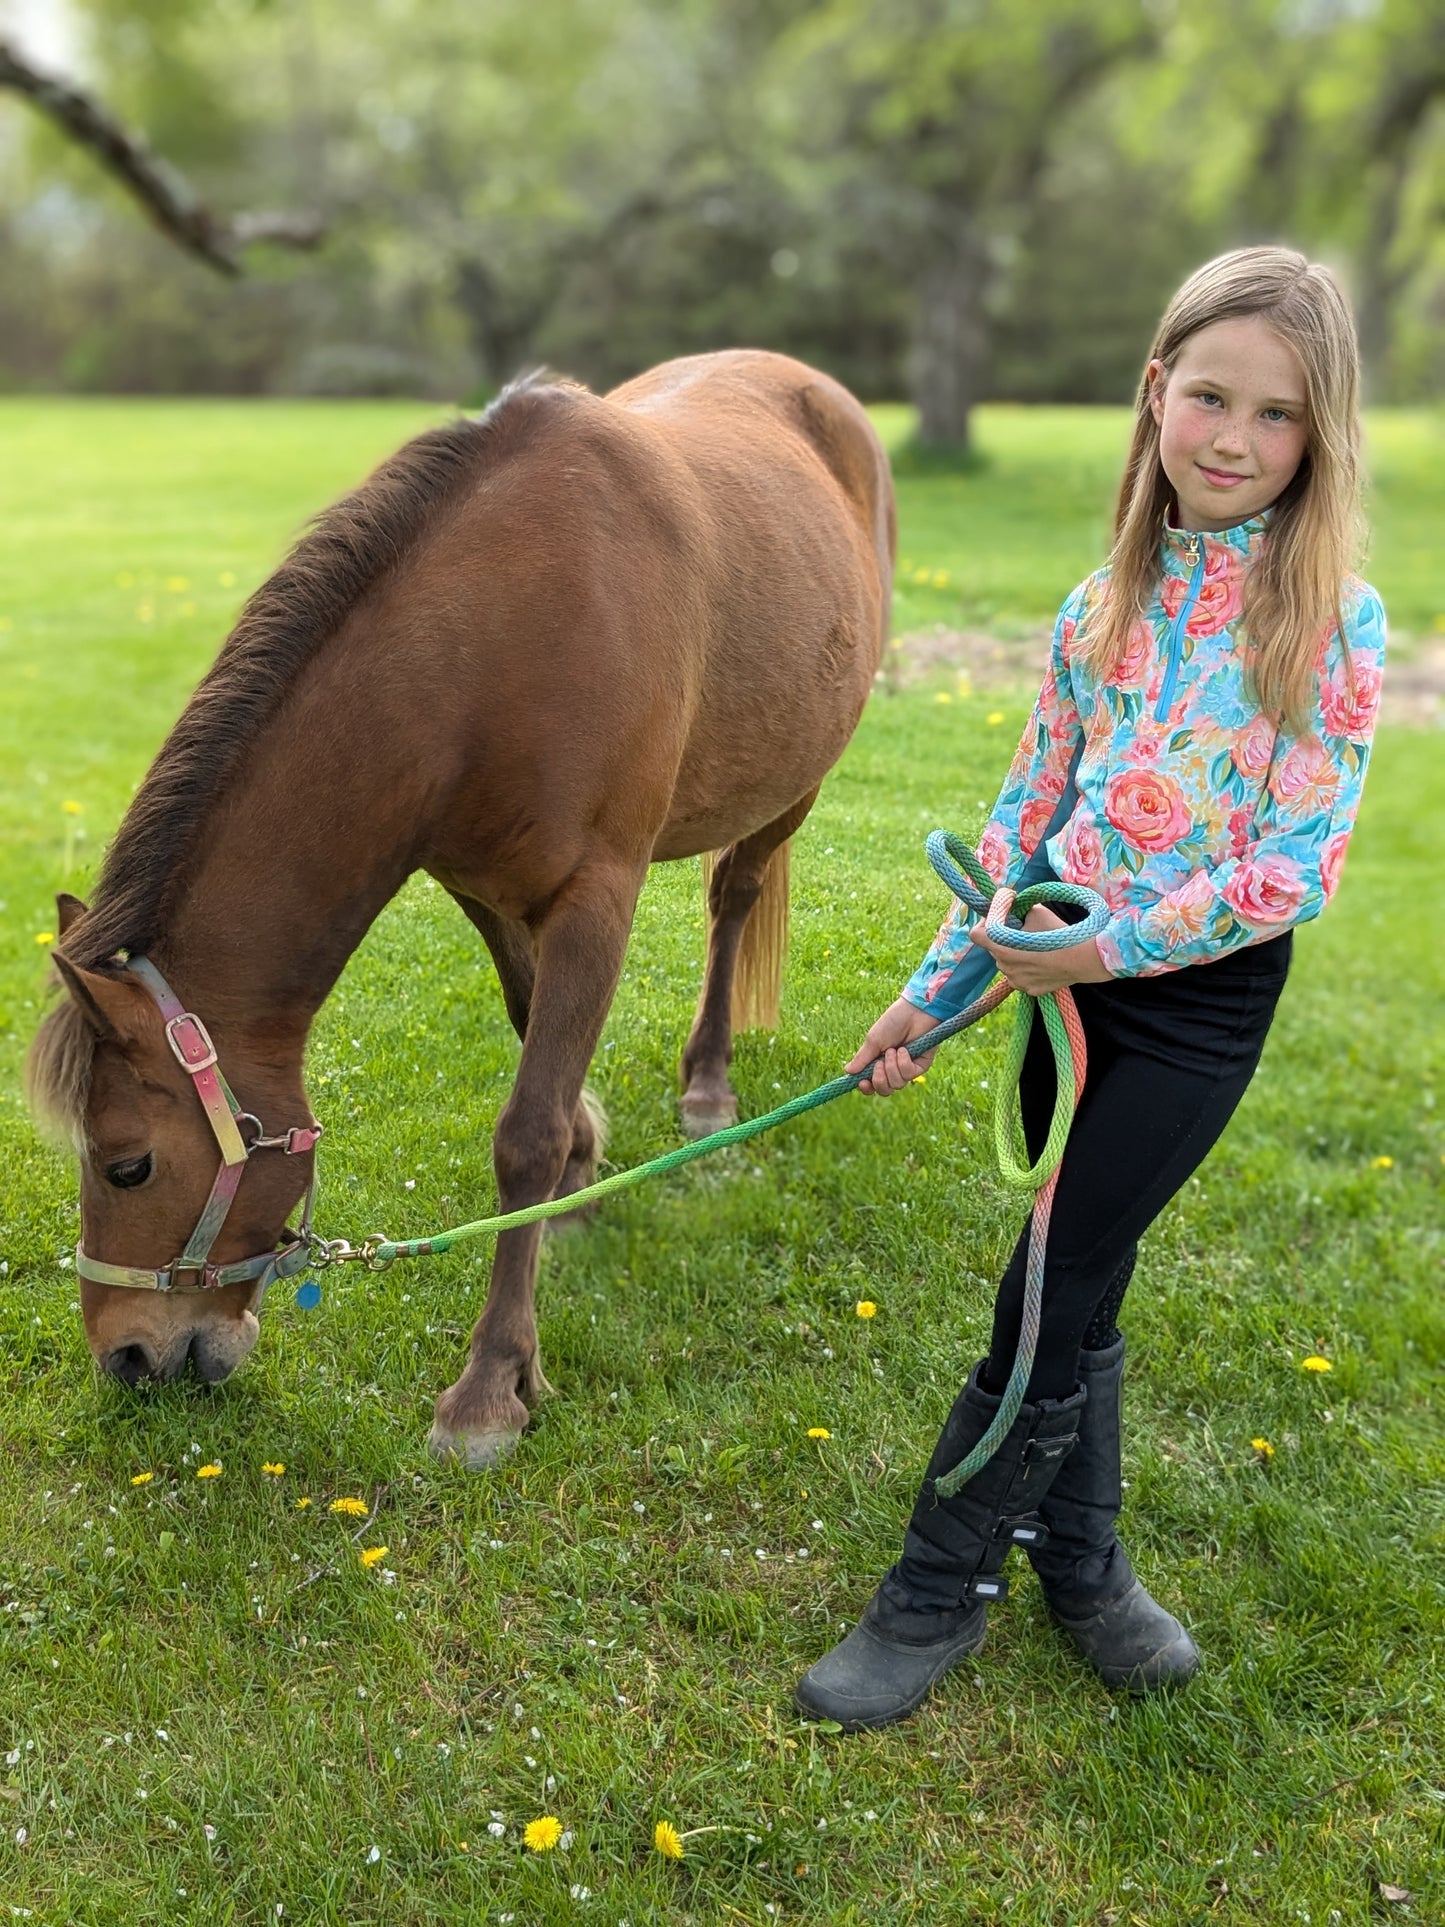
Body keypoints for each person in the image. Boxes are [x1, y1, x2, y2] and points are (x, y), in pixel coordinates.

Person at [794, 246, 1387, 1729]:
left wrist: (1103, 951)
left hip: (1191, 1010)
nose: (1233, 439)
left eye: (1276, 415)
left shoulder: (1331, 623)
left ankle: (934, 1588)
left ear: (1318, 435)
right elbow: (1022, 830)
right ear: (1155, 392)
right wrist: (932, 1001)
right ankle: (1086, 1565)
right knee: (1090, 1276)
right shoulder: (1096, 609)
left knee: (1045, 1284)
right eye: (1209, 398)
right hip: (1058, 988)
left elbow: (1293, 867)